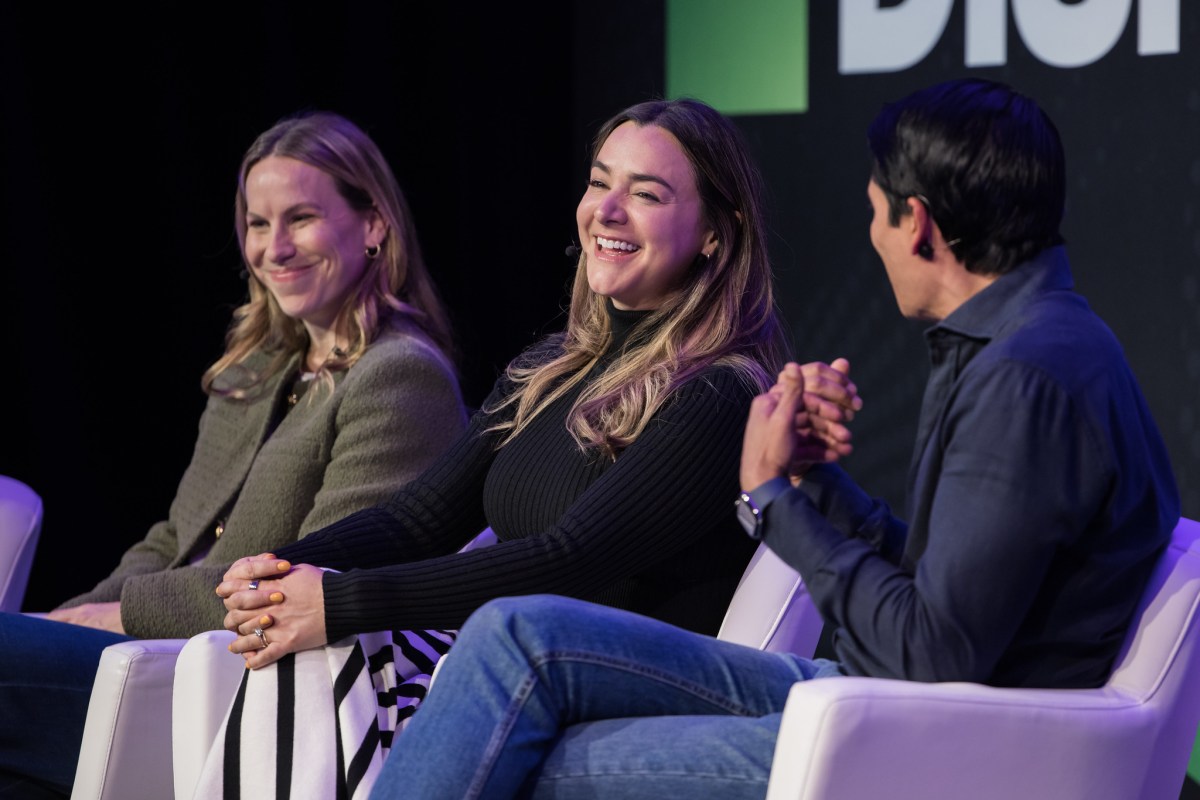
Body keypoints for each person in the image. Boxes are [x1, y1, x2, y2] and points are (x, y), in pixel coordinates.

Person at [370, 78, 1181, 799]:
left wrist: (772, 501)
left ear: (919, 225)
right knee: (516, 635)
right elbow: (950, 587)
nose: (873, 236)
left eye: (875, 212)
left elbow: (935, 653)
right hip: (892, 695)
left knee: (515, 748)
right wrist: (815, 481)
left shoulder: (1023, 376)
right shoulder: (1034, 342)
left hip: (947, 736)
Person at [201, 97, 860, 798]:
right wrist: (274, 571)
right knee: (295, 649)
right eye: (600, 182)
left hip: (608, 691)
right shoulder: (551, 367)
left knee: (329, 645)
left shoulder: (720, 392)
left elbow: (569, 560)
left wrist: (336, 600)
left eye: (646, 194)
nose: (608, 210)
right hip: (505, 668)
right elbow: (420, 519)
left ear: (714, 235)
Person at [0, 110, 467, 798]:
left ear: (373, 225)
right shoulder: (252, 369)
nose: (274, 248)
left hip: (238, 682)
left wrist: (113, 618)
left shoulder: (402, 376)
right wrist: (68, 617)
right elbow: (172, 540)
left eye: (301, 218)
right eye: (257, 223)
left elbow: (314, 580)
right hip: (148, 656)